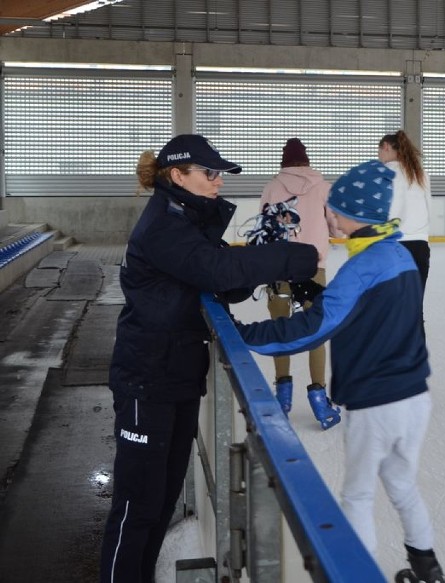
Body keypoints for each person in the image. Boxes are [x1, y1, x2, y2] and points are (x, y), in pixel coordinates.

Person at [100, 134, 319, 583]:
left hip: (176, 373)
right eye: (209, 173)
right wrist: (290, 257)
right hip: (147, 379)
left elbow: (225, 281)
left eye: (220, 173)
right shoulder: (165, 223)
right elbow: (216, 271)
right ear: (177, 175)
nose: (218, 182)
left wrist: (265, 252)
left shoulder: (189, 219)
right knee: (137, 505)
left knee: (158, 501)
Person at [236, 160, 445, 583]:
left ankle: (355, 576)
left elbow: (316, 327)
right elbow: (358, 308)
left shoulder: (361, 268)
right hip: (414, 397)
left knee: (358, 493)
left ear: (353, 216)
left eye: (332, 209)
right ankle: (428, 569)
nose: (326, 215)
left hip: (376, 403)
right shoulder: (400, 255)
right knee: (403, 486)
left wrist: (246, 335)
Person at [260, 138, 341, 429]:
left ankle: (282, 398)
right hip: (312, 268)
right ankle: (320, 403)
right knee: (315, 331)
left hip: (278, 268)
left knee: (280, 329)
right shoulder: (323, 186)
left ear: (284, 162)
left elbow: (264, 228)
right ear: (306, 161)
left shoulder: (272, 186)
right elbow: (337, 226)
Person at [378, 130, 432, 291]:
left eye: (379, 150)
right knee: (414, 303)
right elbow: (429, 207)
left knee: (391, 305)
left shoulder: (381, 173)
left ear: (386, 147)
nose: (378, 155)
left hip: (391, 245)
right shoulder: (421, 174)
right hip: (420, 244)